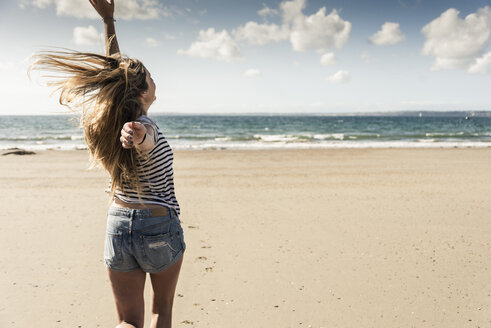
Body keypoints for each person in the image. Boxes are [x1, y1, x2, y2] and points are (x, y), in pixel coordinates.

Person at [30, 0, 186, 327]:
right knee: (161, 311)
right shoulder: (143, 126)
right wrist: (137, 135)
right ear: (143, 91)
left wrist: (109, 21)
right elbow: (145, 140)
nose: (154, 82)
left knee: (128, 321)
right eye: (151, 78)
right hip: (157, 225)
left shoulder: (106, 125)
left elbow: (116, 72)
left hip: (118, 224)